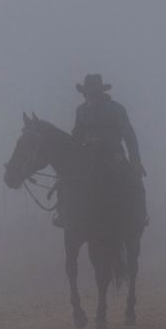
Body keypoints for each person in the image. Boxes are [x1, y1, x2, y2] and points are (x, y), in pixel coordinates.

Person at [54, 74, 147, 228]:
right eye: (86, 93)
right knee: (65, 179)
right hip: (88, 155)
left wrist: (135, 161)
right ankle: (63, 214)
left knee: (134, 181)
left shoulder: (116, 109)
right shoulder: (81, 110)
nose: (89, 96)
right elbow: (77, 135)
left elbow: (129, 136)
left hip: (113, 155)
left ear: (99, 93)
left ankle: (139, 214)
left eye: (92, 93)